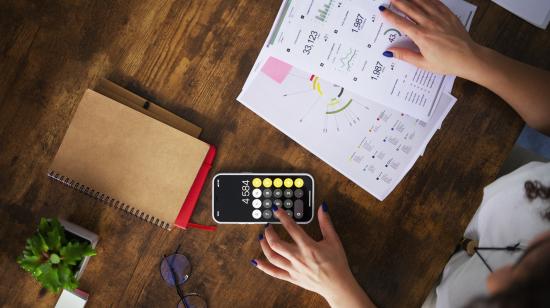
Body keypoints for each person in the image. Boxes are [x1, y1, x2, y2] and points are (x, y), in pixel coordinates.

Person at [249, 0, 550, 307]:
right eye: (533, 260)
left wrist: (337, 289)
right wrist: (472, 57)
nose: (493, 280)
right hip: (486, 167)